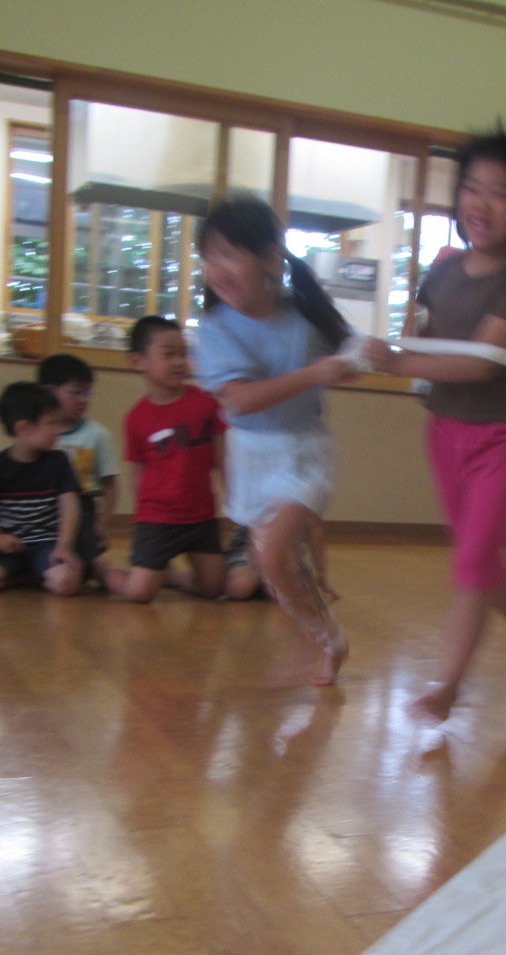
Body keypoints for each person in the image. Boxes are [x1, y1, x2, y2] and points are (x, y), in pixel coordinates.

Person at [364, 128, 506, 722]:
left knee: (473, 562)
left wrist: (399, 364)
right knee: (482, 559)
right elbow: (423, 337)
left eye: (500, 192)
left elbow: (481, 363)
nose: (480, 203)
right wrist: (392, 347)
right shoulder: (443, 270)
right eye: (472, 188)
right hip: (445, 435)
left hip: (502, 442)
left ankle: (448, 685)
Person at [194, 193, 359, 683]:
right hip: (251, 456)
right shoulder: (214, 329)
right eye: (209, 257)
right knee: (271, 566)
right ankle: (328, 637)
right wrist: (316, 373)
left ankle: (320, 640)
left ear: (269, 257)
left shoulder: (303, 316)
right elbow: (242, 401)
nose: (216, 269)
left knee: (270, 554)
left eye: (229, 254)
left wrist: (355, 358)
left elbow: (349, 359)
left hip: (304, 452)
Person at [104, 316, 228, 603]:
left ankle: (172, 576)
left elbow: (223, 459)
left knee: (213, 588)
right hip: (157, 519)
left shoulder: (206, 403)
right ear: (139, 361)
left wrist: (234, 500)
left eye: (184, 353)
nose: (179, 362)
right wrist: (142, 521)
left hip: (201, 516)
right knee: (138, 593)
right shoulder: (136, 418)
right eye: (168, 354)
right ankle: (101, 571)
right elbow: (139, 472)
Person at [0, 382, 85, 597]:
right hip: (9, 548)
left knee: (65, 582)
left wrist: (64, 546)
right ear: (24, 428)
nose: (57, 431)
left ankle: (32, 574)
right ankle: (26, 575)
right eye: (51, 424)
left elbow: (70, 504)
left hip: (46, 545)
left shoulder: (59, 461)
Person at [39, 352, 119, 568]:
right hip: (43, 506)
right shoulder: (40, 434)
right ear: (48, 391)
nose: (84, 399)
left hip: (83, 507)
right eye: (76, 392)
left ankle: (95, 566)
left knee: (87, 562)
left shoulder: (98, 435)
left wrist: (102, 523)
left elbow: (110, 485)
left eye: (88, 393)